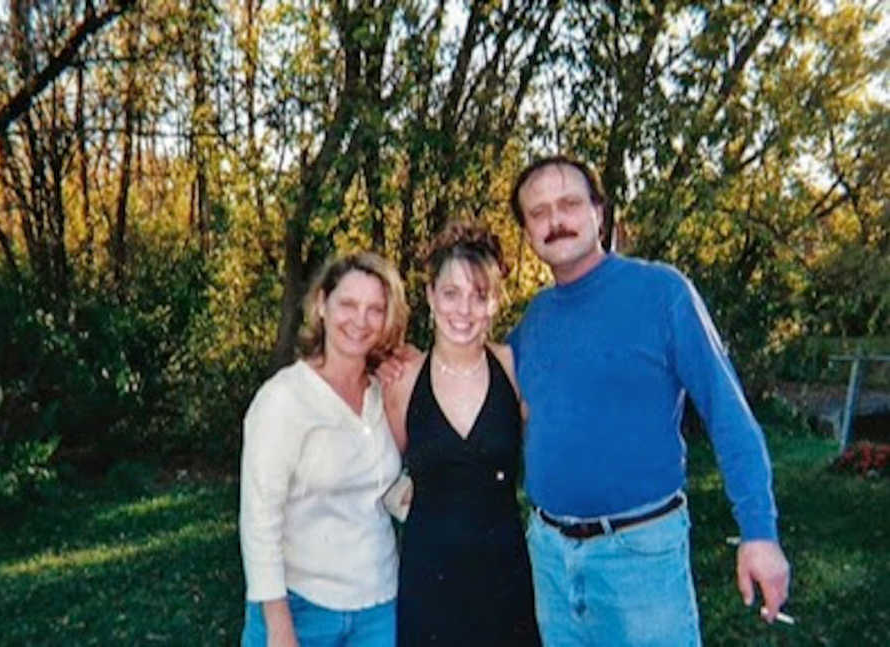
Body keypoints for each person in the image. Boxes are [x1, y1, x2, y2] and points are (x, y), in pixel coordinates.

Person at [507, 155, 791, 646]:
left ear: (599, 210)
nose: (555, 221)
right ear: (527, 230)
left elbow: (728, 414)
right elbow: (481, 387)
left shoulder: (661, 292)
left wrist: (759, 532)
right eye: (539, 213)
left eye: (569, 204)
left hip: (641, 559)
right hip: (551, 562)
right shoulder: (533, 322)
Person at [382, 222, 541, 646]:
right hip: (429, 582)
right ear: (431, 295)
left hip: (504, 578)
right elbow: (382, 474)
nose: (464, 310)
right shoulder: (401, 381)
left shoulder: (512, 367)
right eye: (451, 293)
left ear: (495, 302)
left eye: (479, 295)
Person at [239, 252, 409, 647]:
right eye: (348, 304)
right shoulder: (284, 399)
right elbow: (259, 519)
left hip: (380, 607)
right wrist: (279, 625)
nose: (360, 320)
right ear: (321, 305)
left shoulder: (384, 393)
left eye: (375, 310)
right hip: (300, 607)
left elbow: (379, 485)